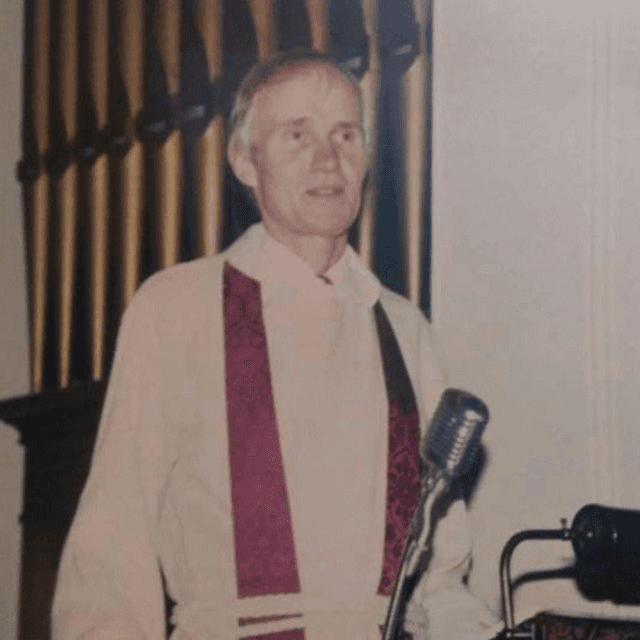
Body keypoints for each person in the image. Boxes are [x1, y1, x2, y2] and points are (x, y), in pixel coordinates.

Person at [52, 49, 497, 640]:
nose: (328, 160)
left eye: (346, 135)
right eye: (297, 135)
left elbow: (439, 574)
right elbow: (113, 544)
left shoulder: (402, 326)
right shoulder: (177, 309)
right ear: (245, 161)